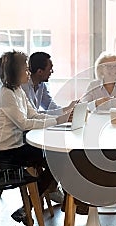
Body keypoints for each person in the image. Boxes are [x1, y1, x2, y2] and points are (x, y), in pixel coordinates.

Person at [0, 50, 71, 225]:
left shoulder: (17, 91)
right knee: (57, 158)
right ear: (15, 72)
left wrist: (59, 120)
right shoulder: (6, 94)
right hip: (7, 153)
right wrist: (58, 120)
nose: (28, 72)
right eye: (25, 70)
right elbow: (25, 124)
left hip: (16, 146)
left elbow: (33, 115)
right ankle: (37, 201)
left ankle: (32, 204)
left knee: (57, 158)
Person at [21, 51, 77, 204]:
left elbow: (50, 107)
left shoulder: (41, 86)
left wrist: (67, 109)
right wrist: (61, 117)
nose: (52, 71)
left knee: (61, 157)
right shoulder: (23, 89)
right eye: (50, 68)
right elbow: (34, 116)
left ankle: (54, 191)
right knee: (60, 159)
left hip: (35, 129)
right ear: (39, 71)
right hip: (24, 138)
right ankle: (44, 196)